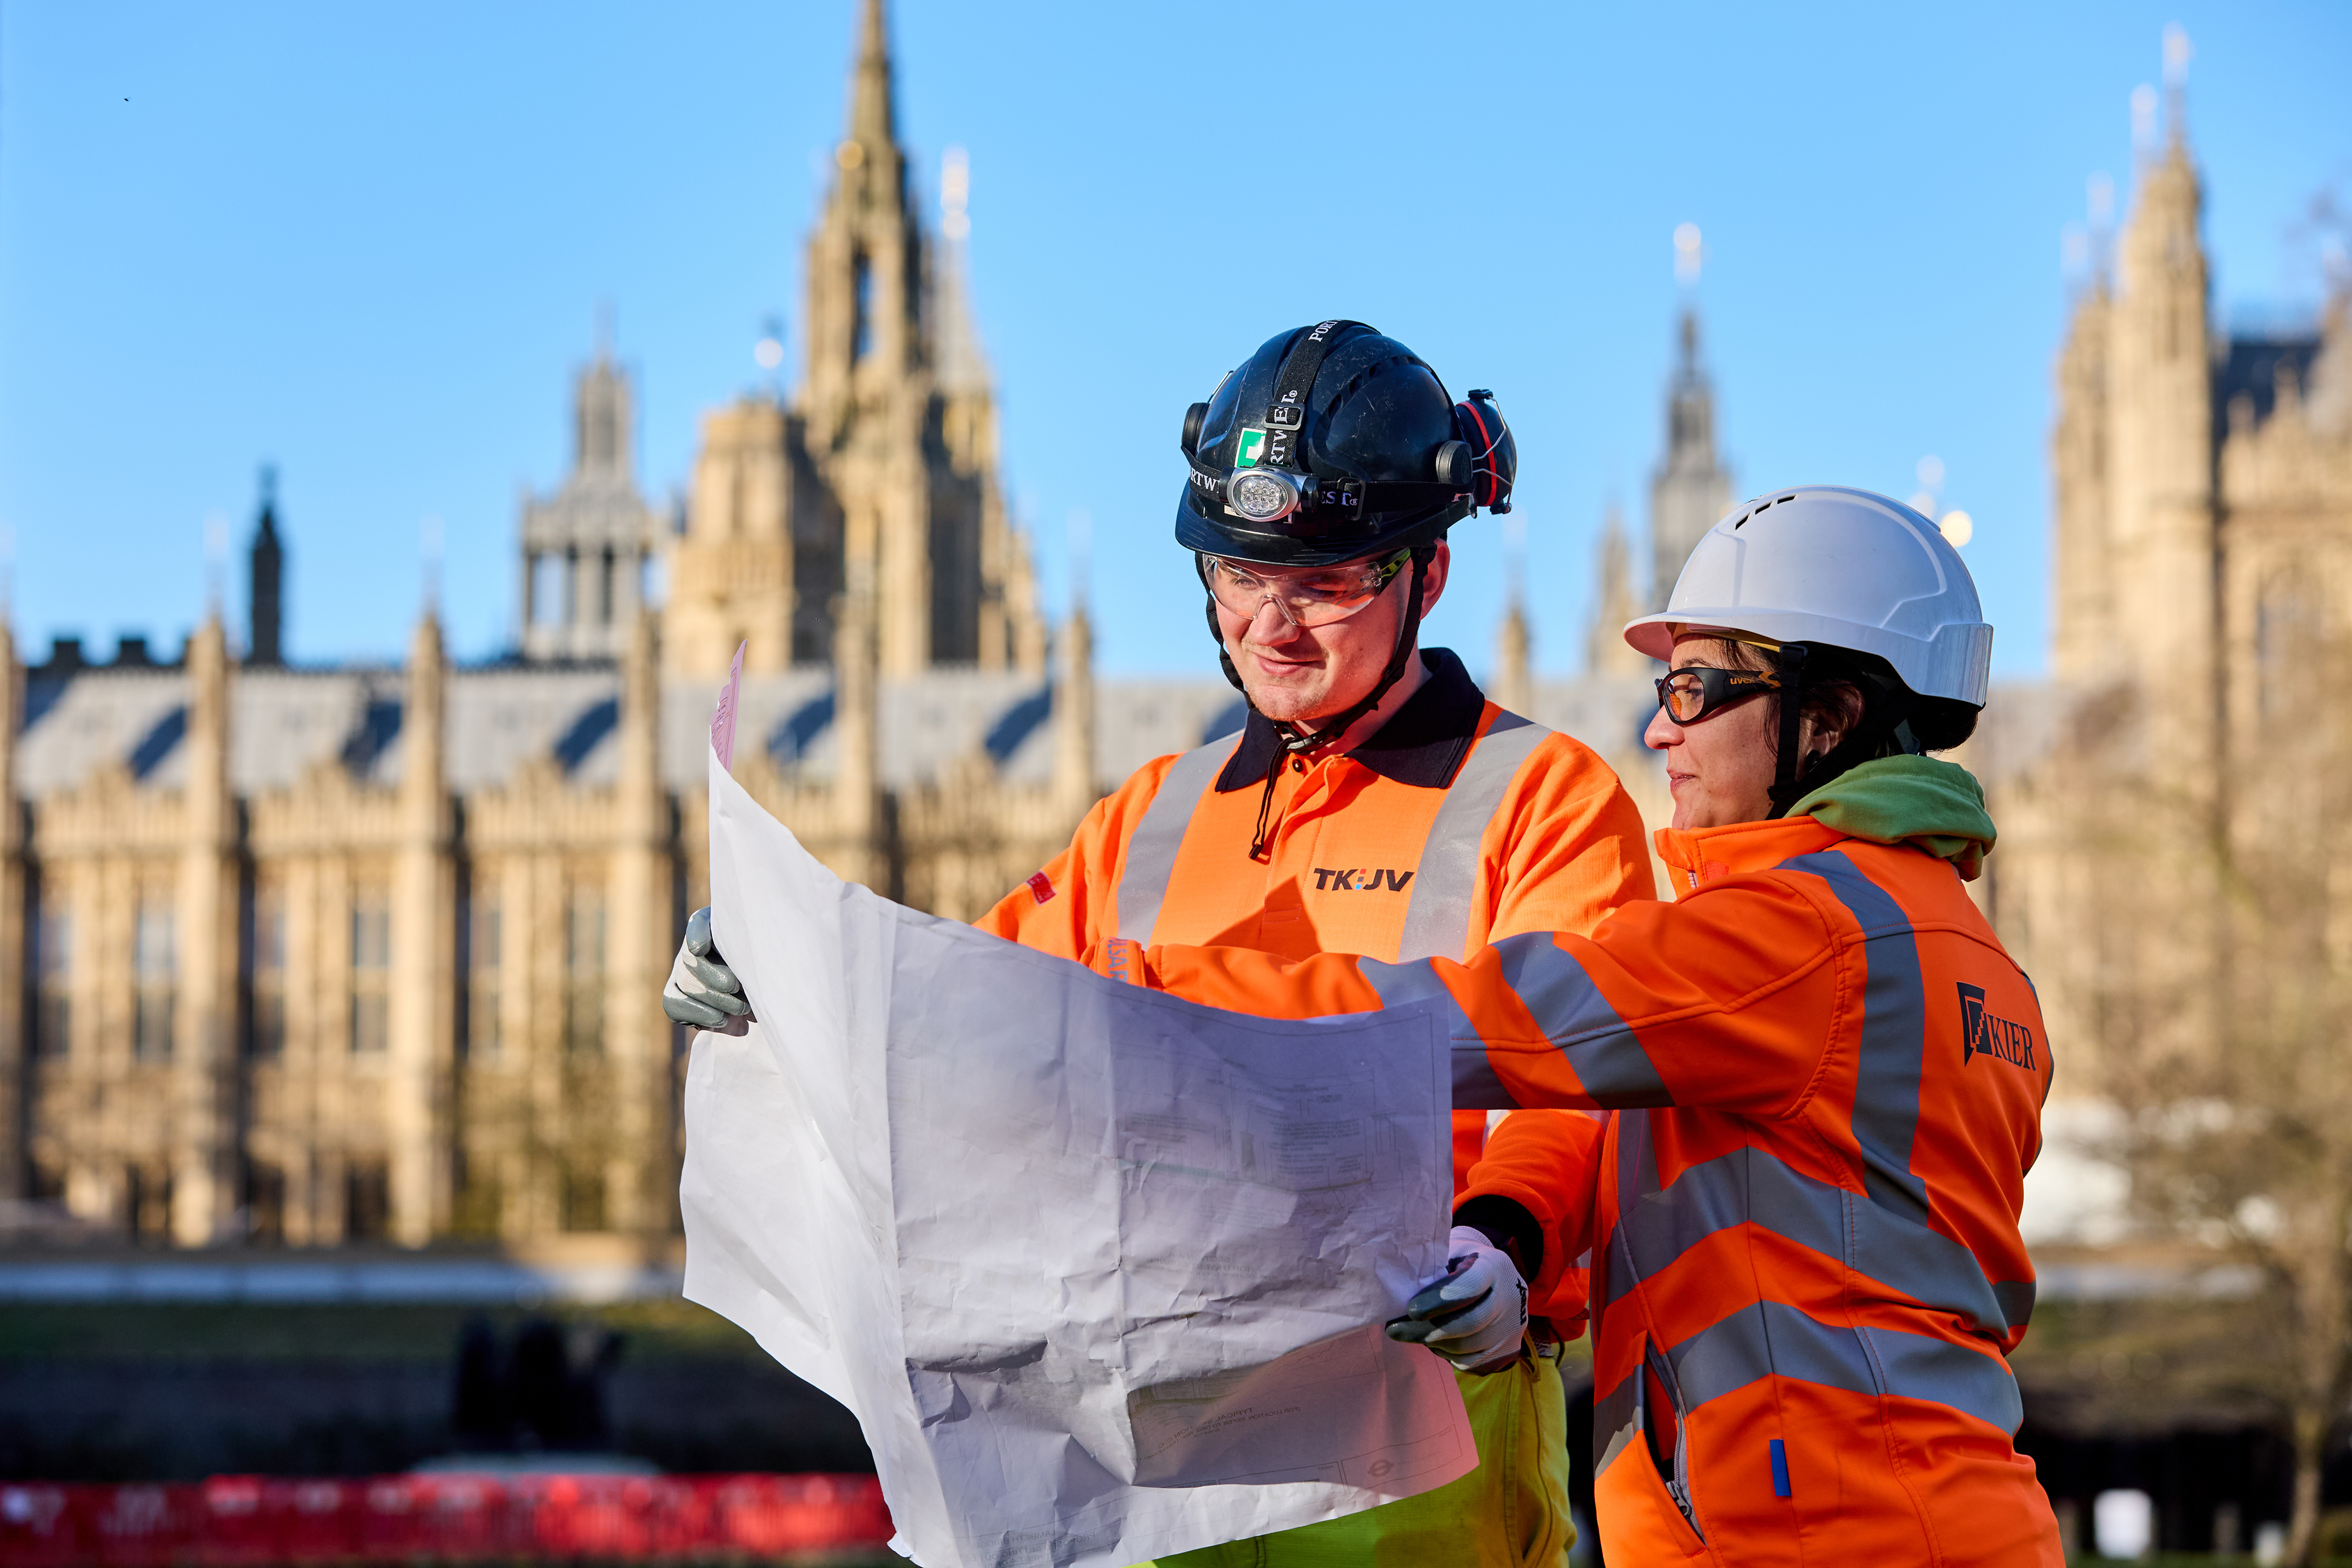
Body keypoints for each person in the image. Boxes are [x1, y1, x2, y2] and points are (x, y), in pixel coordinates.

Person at [668, 320, 1659, 1567]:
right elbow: (957, 1021)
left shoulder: (1544, 799)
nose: (1272, 625)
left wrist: (1506, 1234)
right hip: (1147, 1483)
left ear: (1426, 573)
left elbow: (1572, 1073)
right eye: (1240, 577)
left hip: (1415, 1473)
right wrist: (772, 974)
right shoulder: (1148, 819)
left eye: (1327, 582)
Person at [1115, 487, 2067, 1567]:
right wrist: (1512, 1226)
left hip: (1829, 1537)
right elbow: (1636, 1140)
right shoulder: (1962, 955)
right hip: (1929, 1514)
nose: (1662, 726)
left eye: (1699, 689)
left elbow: (1474, 1025)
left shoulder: (1796, 938)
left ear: (1830, 718)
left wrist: (1130, 994)